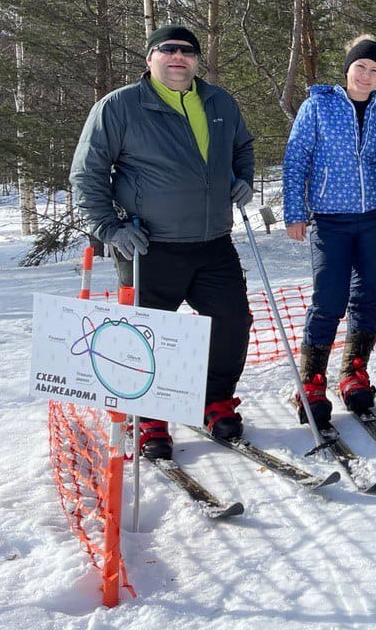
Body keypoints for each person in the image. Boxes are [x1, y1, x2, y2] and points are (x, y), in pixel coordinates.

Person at [70, 25, 255, 459]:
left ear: (197, 60)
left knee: (231, 324)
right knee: (144, 336)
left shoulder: (219, 102)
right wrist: (109, 228)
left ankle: (215, 400)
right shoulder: (120, 106)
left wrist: (243, 177)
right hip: (148, 246)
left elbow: (242, 146)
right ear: (150, 58)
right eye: (167, 49)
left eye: (187, 51)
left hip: (213, 242)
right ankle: (149, 415)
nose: (178, 57)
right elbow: (87, 174)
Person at [282, 36, 376, 427]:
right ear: (347, 70)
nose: (366, 75)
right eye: (360, 67)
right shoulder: (318, 106)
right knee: (329, 299)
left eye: (374, 70)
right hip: (330, 219)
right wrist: (295, 212)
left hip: (375, 219)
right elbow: (296, 160)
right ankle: (311, 380)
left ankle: (354, 371)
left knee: (368, 298)